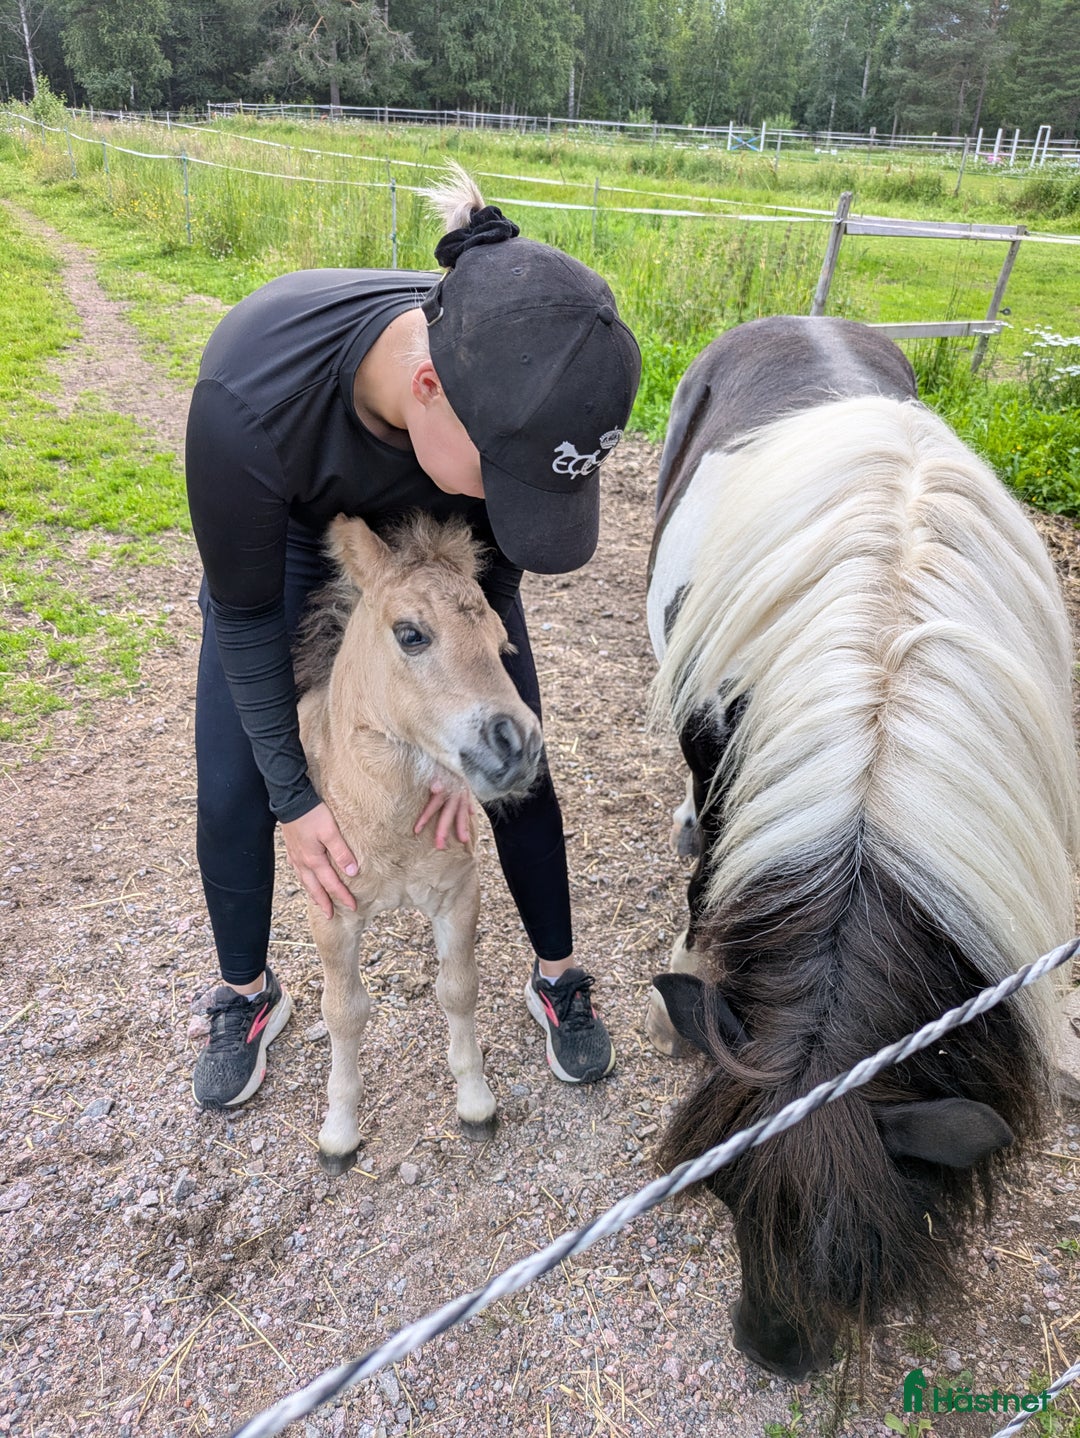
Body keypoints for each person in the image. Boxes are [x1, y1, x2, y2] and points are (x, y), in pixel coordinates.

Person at [186, 164, 642, 1111]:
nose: (514, 497)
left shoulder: (496, 378)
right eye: (509, 477)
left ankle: (556, 975)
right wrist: (296, 797)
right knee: (237, 776)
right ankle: (246, 991)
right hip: (295, 550)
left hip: (440, 554)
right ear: (425, 388)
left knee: (514, 755)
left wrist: (454, 751)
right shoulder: (247, 405)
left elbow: (501, 545)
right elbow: (239, 615)